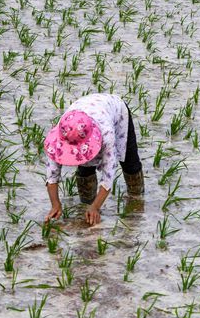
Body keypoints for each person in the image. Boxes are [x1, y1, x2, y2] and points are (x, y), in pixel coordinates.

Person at [43, 94, 144, 225]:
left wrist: (96, 207)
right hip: (83, 116)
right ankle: (86, 207)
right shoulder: (60, 134)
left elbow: (108, 176)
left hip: (114, 111)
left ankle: (137, 201)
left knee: (130, 163)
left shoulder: (106, 134)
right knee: (85, 169)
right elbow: (52, 176)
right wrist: (55, 205)